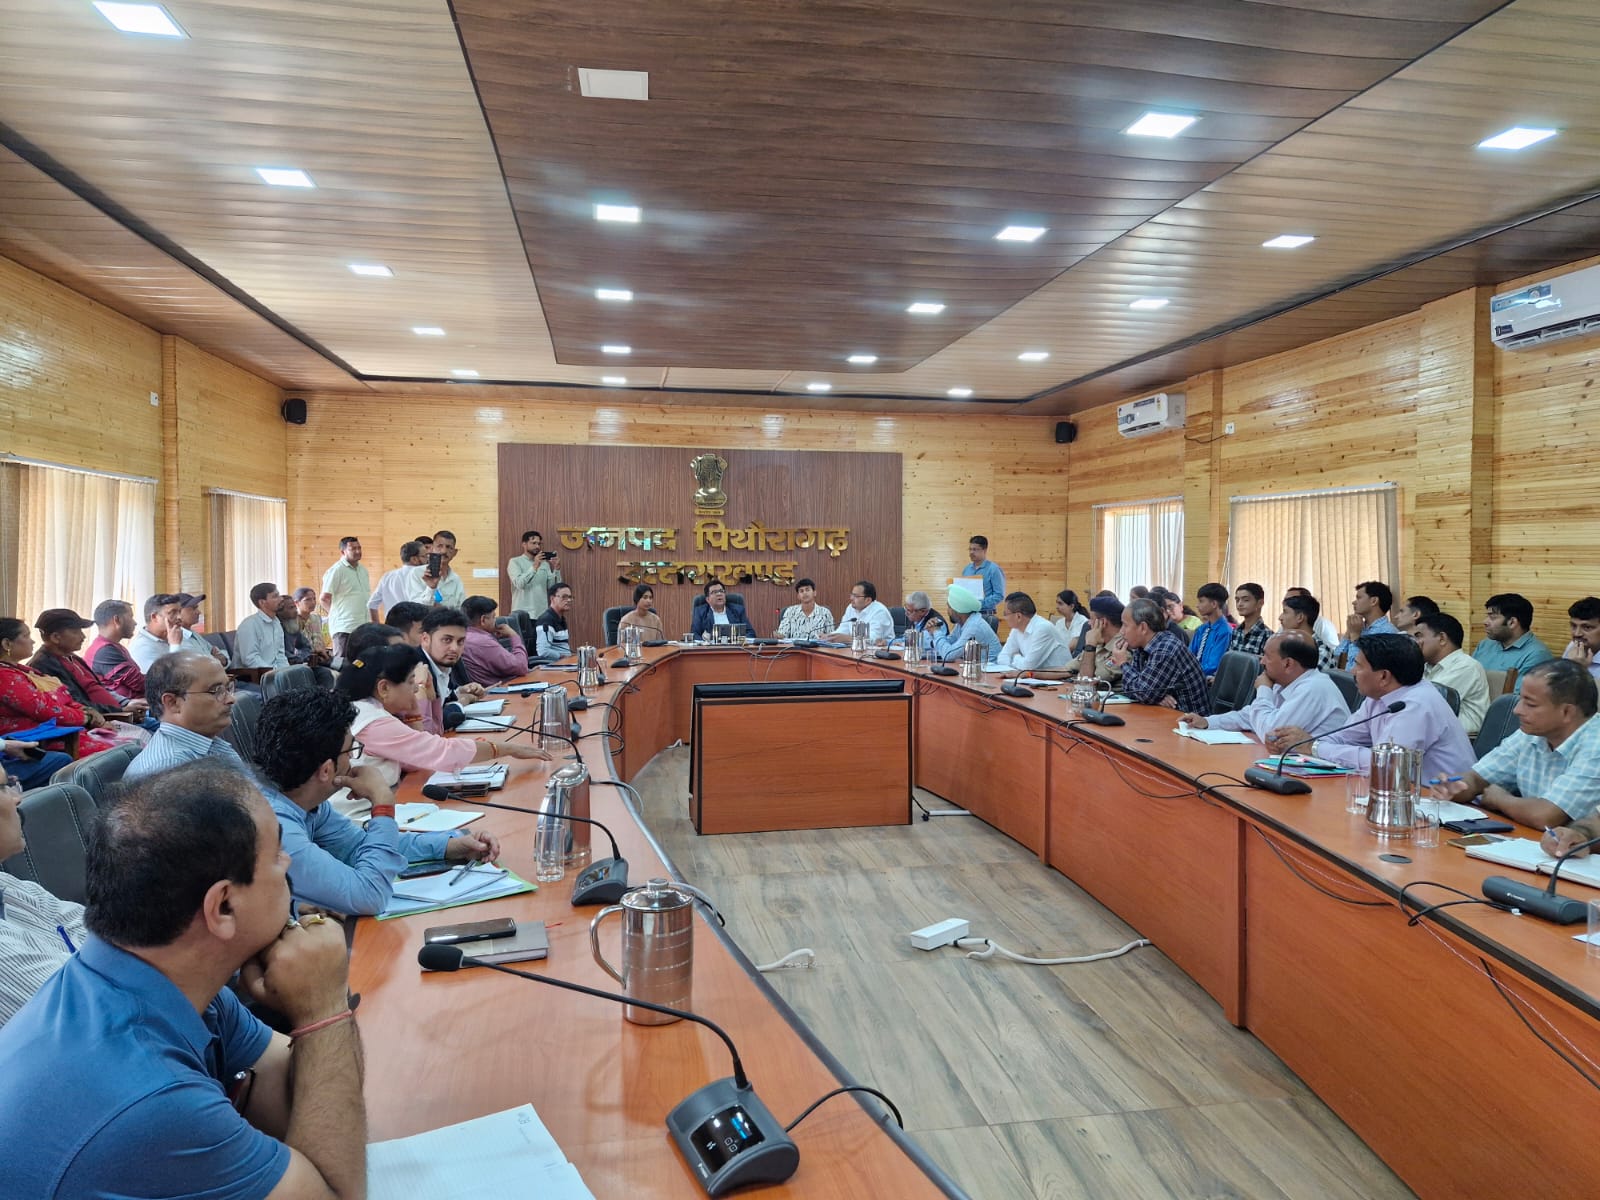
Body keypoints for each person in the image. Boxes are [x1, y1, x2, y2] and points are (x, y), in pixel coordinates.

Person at [0, 762, 369, 1198]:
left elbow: (299, 1103)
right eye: (276, 855)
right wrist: (324, 1005)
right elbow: (335, 1191)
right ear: (223, 906)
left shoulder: (158, 980)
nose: (287, 863)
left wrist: (317, 1014)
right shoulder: (151, 1097)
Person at [254, 690, 500, 915]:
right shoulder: (274, 827)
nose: (353, 759)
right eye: (351, 750)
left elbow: (360, 846)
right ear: (326, 770)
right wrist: (382, 804)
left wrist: (450, 846)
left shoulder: (303, 800)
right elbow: (369, 896)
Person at [336, 643, 548, 788]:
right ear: (383, 688)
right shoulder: (373, 722)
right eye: (411, 682)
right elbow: (441, 751)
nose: (415, 689)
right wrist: (507, 749)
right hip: (362, 818)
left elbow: (415, 760)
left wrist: (414, 711)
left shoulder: (364, 709)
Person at [1271, 633, 1474, 782]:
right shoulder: (1378, 696)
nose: (1352, 671)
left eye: (1358, 665)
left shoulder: (1416, 705)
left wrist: (1314, 747)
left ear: (1383, 676)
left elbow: (1384, 765)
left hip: (1446, 807)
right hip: (1404, 796)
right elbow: (1343, 736)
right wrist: (1303, 742)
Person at [1432, 661, 1600, 831]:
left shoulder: (1595, 746)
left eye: (1530, 704)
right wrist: (1453, 787)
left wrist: (1500, 799)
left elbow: (1545, 816)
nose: (1517, 710)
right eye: (1520, 699)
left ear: (1567, 712)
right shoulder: (1531, 734)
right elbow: (1477, 778)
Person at [0, 776, 87, 1022]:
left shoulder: (9, 885)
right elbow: (90, 1012)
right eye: (3, 788)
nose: (17, 798)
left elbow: (102, 929)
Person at [1179, 635, 1348, 750]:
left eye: (1267, 656)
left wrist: (1263, 690)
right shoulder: (1286, 682)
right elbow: (1250, 716)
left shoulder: (1314, 688)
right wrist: (1208, 722)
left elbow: (1272, 734)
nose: (1262, 661)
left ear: (1288, 664)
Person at [122, 652, 247, 783]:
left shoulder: (209, 744)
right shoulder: (170, 769)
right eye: (216, 691)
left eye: (228, 688)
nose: (231, 699)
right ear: (173, 703)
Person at [0, 616, 109, 755]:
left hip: (60, 733)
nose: (33, 641)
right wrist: (86, 717)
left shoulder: (25, 670)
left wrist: (87, 710)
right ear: (7, 644)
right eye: (26, 636)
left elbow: (64, 699)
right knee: (115, 754)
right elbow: (44, 709)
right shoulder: (4, 676)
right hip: (36, 741)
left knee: (123, 747)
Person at [27, 608, 151, 723]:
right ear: (55, 637)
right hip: (99, 722)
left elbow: (99, 687)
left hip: (117, 713)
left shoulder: (72, 657)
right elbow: (74, 703)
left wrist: (126, 704)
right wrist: (120, 711)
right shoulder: (44, 665)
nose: (83, 637)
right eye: (76, 632)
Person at [1112, 598, 1210, 712]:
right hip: (1166, 714)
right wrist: (1155, 698)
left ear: (1143, 628)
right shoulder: (1142, 647)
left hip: (1190, 719)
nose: (1121, 631)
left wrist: (1123, 663)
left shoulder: (1165, 649)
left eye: (1125, 625)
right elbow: (1131, 689)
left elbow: (1142, 693)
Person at [1415, 611, 1491, 737]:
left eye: (1419, 636)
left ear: (1442, 638)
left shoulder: (1466, 666)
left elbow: (1425, 702)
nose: (1415, 642)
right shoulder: (1426, 666)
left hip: (1465, 739)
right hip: (1435, 732)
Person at [418, 606, 487, 735]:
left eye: (460, 642)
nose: (454, 648)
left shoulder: (443, 663)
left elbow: (445, 697)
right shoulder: (416, 667)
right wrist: (462, 702)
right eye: (447, 640)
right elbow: (431, 723)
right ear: (425, 639)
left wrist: (461, 690)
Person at [1471, 592, 1554, 693]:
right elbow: (1468, 678)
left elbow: (1516, 697)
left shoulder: (1536, 654)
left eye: (1492, 617)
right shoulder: (1485, 644)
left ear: (1512, 622)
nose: (1485, 622)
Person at [319, 535, 371, 660]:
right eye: (353, 549)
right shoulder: (337, 570)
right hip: (344, 627)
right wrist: (336, 615)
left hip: (362, 626)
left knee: (361, 663)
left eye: (359, 548)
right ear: (343, 552)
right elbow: (324, 598)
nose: (358, 551)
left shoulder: (363, 570)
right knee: (342, 664)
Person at [460, 595, 530, 687]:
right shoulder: (483, 642)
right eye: (493, 617)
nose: (495, 621)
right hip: (501, 689)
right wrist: (514, 636)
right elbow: (521, 667)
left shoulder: (463, 636)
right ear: (483, 620)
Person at [997, 592, 1074, 675]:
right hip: (1034, 678)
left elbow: (1027, 667)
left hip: (1060, 679)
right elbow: (1002, 658)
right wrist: (1017, 659)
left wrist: (1015, 656)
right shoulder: (1016, 629)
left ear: (1018, 616)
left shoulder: (1043, 628)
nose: (1004, 618)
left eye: (1005, 614)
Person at [85, 599, 147, 699]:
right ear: (117, 620)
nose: (135, 623)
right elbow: (140, 684)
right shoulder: (105, 651)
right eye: (131, 617)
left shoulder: (110, 646)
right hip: (126, 708)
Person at [930, 584, 1000, 664]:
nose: (948, 611)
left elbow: (948, 655)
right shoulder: (962, 623)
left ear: (957, 609)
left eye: (949, 607)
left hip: (991, 669)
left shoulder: (974, 627)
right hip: (975, 667)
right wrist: (933, 633)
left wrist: (936, 632)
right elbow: (950, 642)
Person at [1334, 581, 1398, 664]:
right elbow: (1337, 659)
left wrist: (1355, 637)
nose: (1354, 602)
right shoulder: (1358, 627)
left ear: (1374, 601)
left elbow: (1361, 665)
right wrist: (1349, 631)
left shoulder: (1388, 632)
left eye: (1359, 598)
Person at [403, 529, 467, 609]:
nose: (444, 551)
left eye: (449, 547)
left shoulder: (456, 579)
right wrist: (431, 588)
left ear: (455, 552)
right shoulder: (417, 573)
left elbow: (461, 609)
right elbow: (416, 607)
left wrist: (442, 609)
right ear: (431, 548)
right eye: (439, 546)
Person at [235, 581, 291, 671]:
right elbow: (250, 660)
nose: (281, 599)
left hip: (274, 673)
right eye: (275, 596)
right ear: (262, 602)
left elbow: (280, 655)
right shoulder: (249, 625)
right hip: (252, 675)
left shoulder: (276, 623)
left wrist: (286, 671)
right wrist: (274, 672)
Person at [1075, 594, 1129, 686]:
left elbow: (1086, 683)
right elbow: (1069, 668)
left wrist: (1090, 645)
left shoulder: (1123, 649)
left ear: (1103, 622)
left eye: (1091, 619)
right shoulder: (1100, 642)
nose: (1089, 623)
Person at [128, 592, 189, 673]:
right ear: (154, 617)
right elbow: (168, 678)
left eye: (179, 612)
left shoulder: (175, 635)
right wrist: (175, 645)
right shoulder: (142, 648)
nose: (179, 617)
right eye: (172, 612)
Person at [508, 529, 563, 618]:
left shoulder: (544, 564)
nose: (537, 546)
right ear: (524, 544)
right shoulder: (515, 562)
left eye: (539, 544)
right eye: (533, 543)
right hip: (522, 614)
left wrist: (556, 569)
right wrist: (535, 566)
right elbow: (519, 584)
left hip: (541, 613)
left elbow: (552, 588)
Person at [367, 539, 425, 621]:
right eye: (424, 556)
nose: (427, 559)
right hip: (415, 624)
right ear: (414, 559)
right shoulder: (422, 576)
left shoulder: (387, 576)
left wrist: (376, 625)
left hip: (390, 625)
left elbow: (371, 604)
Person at [824, 580, 894, 645]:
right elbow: (843, 629)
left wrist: (848, 638)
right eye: (852, 595)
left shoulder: (880, 612)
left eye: (856, 596)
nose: (851, 598)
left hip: (881, 650)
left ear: (868, 600)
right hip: (855, 648)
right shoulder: (851, 608)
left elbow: (874, 639)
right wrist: (829, 637)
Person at [1188, 582, 1235, 678]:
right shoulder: (1201, 629)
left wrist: (1190, 673)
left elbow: (1213, 665)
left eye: (1201, 601)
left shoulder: (1225, 632)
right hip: (1193, 675)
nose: (1197, 605)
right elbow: (1189, 656)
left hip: (1208, 679)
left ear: (1214, 604)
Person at [1279, 593, 1337, 671]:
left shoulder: (1320, 651)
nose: (1280, 618)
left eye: (1285, 612)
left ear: (1300, 617)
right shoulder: (1286, 645)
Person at [175, 593, 231, 667]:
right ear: (177, 613)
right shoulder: (177, 638)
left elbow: (225, 657)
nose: (199, 612)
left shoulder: (195, 635)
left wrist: (220, 659)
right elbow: (201, 665)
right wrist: (214, 659)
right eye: (193, 608)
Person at [1286, 586, 1341, 651]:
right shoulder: (1285, 624)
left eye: (1293, 599)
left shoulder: (1322, 623)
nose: (1287, 602)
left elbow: (1334, 651)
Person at [961, 536, 1006, 616]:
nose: (971, 552)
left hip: (986, 615)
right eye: (970, 549)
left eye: (975, 549)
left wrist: (980, 604)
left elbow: (999, 595)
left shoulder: (993, 569)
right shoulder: (967, 569)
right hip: (968, 614)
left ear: (984, 550)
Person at [532, 583, 575, 663]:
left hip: (565, 663)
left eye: (570, 597)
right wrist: (563, 656)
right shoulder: (546, 621)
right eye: (564, 597)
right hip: (553, 665)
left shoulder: (561, 619)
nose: (569, 600)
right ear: (552, 599)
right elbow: (543, 651)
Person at [1229, 583, 1271, 658]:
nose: (1239, 604)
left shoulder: (1267, 636)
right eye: (1237, 600)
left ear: (1260, 603)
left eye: (1246, 600)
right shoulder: (1236, 631)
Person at [1565, 596, 1600, 683]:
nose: (1577, 634)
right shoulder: (1573, 646)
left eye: (1587, 627)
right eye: (1573, 626)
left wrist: (1580, 671)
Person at [293, 587, 332, 658]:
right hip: (301, 658)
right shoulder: (293, 620)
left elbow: (319, 641)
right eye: (308, 600)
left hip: (319, 656)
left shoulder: (316, 618)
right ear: (297, 603)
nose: (313, 602)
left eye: (314, 599)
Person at [1053, 590, 1089, 656]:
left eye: (1060, 604)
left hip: (1075, 657)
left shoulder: (1082, 621)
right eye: (1057, 603)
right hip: (1061, 656)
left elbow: (1072, 646)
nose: (1057, 607)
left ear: (1072, 606)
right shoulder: (1059, 623)